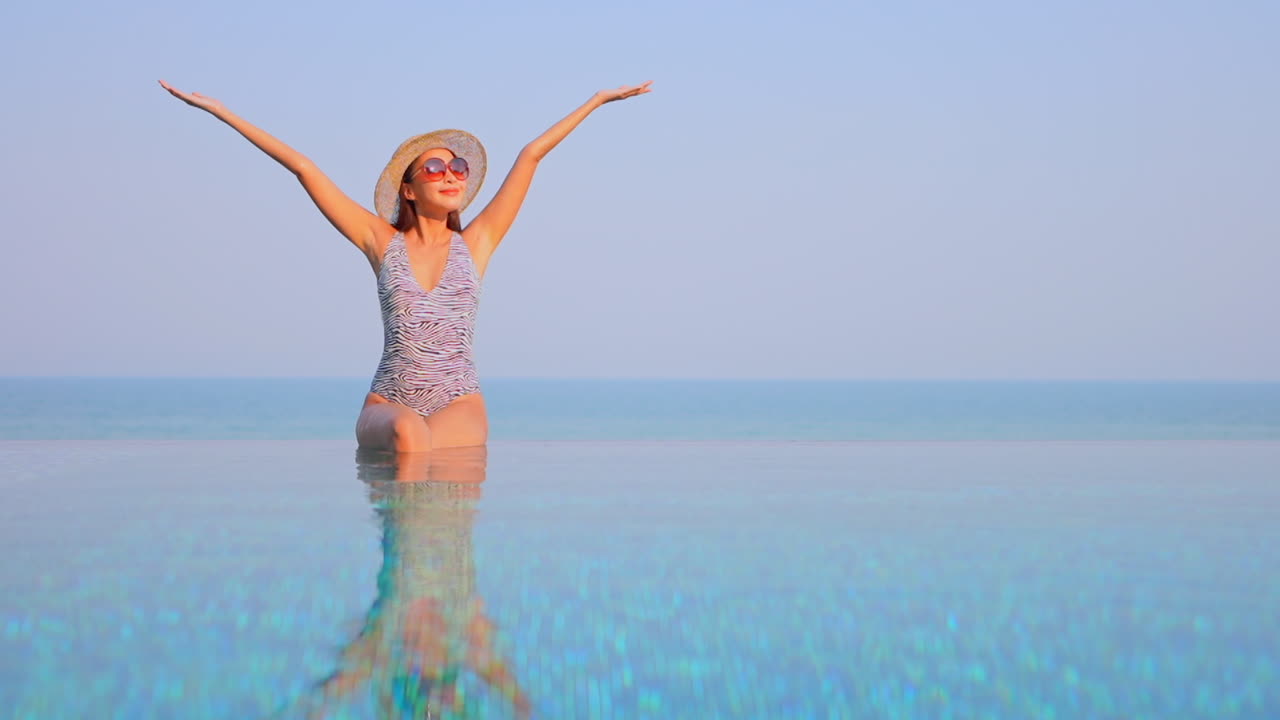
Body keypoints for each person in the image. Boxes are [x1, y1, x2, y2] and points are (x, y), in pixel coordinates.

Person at [159, 79, 652, 453]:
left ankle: (452, 587)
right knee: (408, 436)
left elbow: (530, 155)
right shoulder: (380, 241)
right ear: (409, 191)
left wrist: (596, 101)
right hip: (389, 399)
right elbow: (304, 168)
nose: (451, 174)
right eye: (434, 168)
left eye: (457, 167)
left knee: (441, 468)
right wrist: (220, 111)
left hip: (458, 398)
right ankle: (402, 584)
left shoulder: (476, 242)